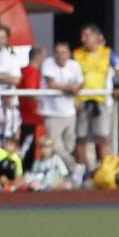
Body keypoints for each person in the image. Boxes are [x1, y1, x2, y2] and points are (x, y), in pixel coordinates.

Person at [74, 23, 119, 177]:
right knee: (81, 137)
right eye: (82, 36)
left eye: (87, 36)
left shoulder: (109, 54)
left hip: (101, 101)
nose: (83, 39)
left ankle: (106, 171)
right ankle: (83, 171)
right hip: (82, 101)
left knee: (103, 137)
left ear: (96, 37)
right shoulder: (76, 54)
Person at [40, 42, 82, 178]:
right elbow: (51, 83)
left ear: (69, 53)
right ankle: (75, 167)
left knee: (69, 146)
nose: (60, 56)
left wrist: (75, 90)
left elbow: (80, 82)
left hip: (70, 112)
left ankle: (64, 174)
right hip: (52, 112)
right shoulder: (48, 63)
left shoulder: (74, 65)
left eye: (64, 52)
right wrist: (69, 88)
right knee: (56, 147)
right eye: (58, 52)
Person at [18, 44, 46, 164]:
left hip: (26, 114)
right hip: (31, 115)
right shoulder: (32, 72)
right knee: (28, 147)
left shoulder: (23, 71)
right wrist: (43, 105)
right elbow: (31, 92)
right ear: (38, 57)